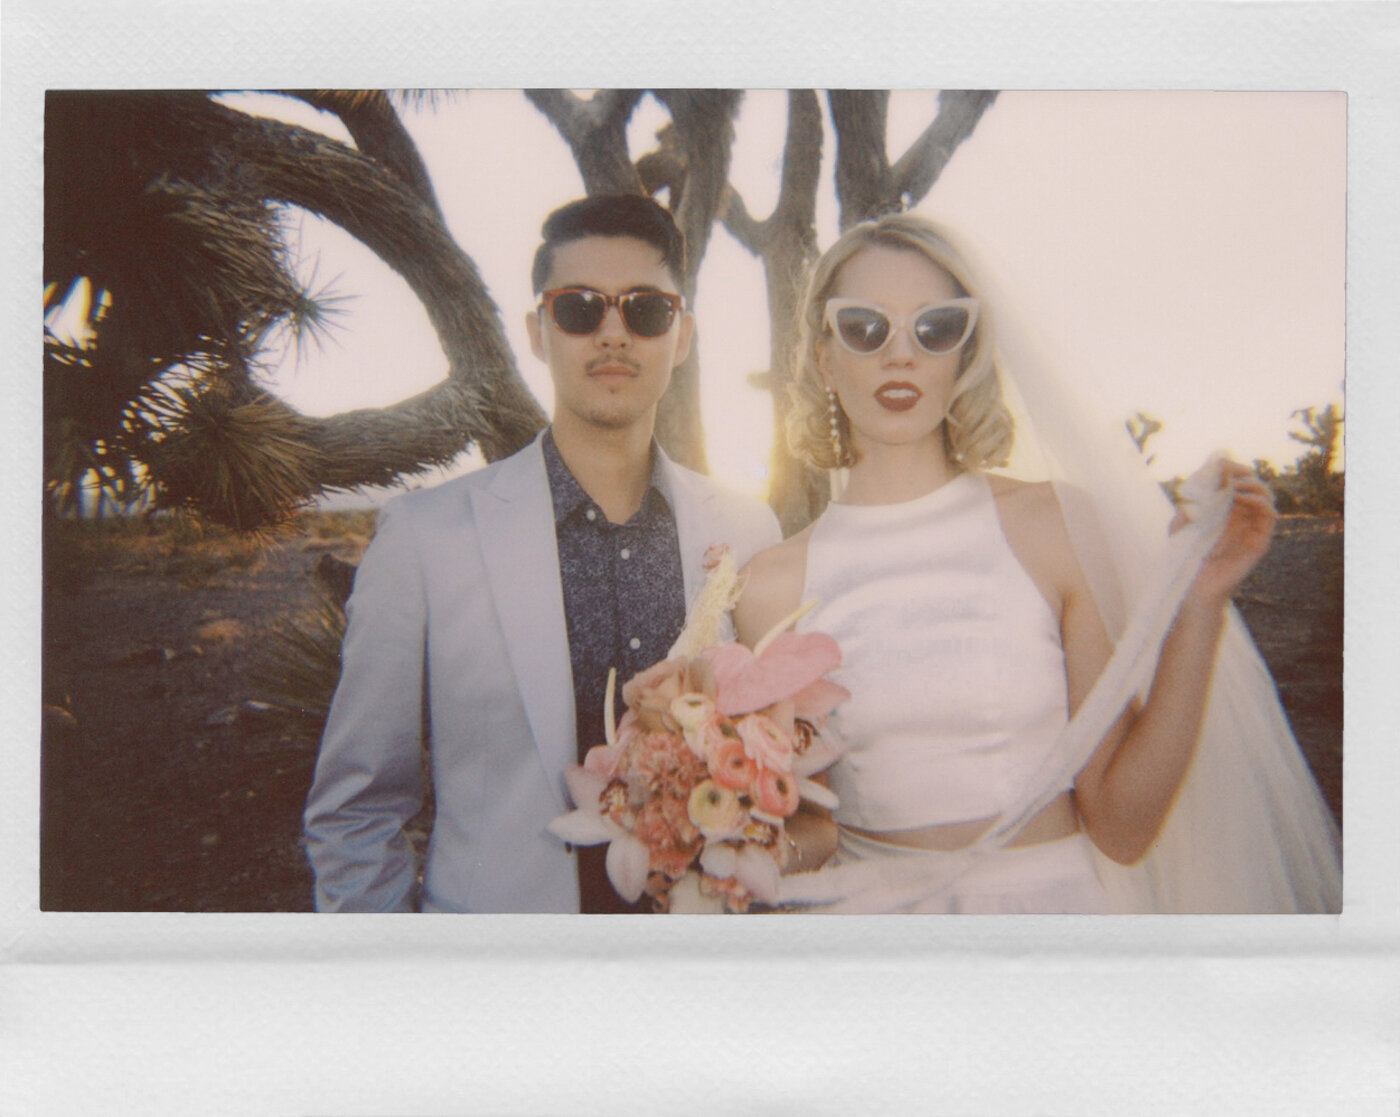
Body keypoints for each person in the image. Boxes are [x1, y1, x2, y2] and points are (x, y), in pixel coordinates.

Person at [735, 212, 1341, 914]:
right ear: (823, 355)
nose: (900, 354)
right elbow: (804, 826)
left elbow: (1122, 826)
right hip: (864, 948)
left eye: (935, 327)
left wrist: (1200, 603)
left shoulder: (1052, 526)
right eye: (866, 327)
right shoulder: (770, 587)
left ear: (965, 351)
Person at [304, 194, 781, 913]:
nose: (613, 333)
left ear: (681, 335)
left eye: (646, 309)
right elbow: (356, 808)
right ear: (538, 330)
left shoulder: (749, 531)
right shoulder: (426, 538)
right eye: (580, 307)